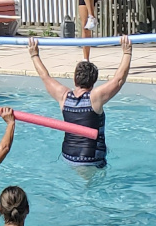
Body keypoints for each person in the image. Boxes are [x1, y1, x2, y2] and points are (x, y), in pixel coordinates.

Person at [27, 36, 131, 168]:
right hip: (90, 160)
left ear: (74, 79)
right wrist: (127, 52)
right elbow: (119, 80)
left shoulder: (63, 96)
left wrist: (34, 54)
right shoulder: (95, 97)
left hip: (67, 156)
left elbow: (44, 76)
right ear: (93, 83)